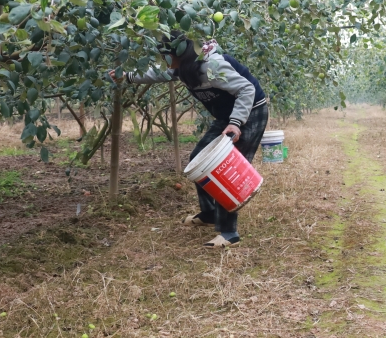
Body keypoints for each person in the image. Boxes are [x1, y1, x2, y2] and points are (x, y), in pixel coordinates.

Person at [110, 36, 268, 249]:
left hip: (249, 112)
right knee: (198, 161)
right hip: (226, 116)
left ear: (180, 53)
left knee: (223, 170)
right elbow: (156, 74)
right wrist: (127, 77)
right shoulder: (183, 68)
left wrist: (236, 122)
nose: (163, 60)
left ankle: (229, 233)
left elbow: (246, 90)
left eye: (165, 55)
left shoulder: (210, 66)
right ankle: (209, 213)